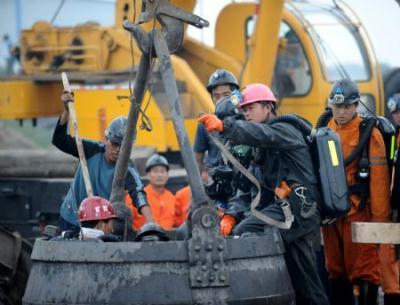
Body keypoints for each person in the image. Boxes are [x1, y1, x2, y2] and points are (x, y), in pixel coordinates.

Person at [199, 83, 329, 305]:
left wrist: (225, 127)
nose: (246, 112)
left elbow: (261, 133)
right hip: (290, 212)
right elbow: (253, 186)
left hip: (299, 209)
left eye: (251, 107)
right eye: (244, 109)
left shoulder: (283, 131)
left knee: (247, 233)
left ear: (269, 106)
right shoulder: (263, 144)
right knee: (303, 278)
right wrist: (232, 213)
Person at [321, 79, 396, 305]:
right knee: (335, 268)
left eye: (347, 107)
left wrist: (380, 223)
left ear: (356, 106)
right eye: (337, 106)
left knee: (364, 267)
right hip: (332, 214)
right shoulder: (324, 130)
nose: (342, 112)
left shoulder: (369, 134)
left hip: (359, 212)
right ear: (331, 106)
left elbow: (380, 182)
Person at [53, 91, 153, 233]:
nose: (118, 150)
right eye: (114, 144)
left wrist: (152, 223)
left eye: (123, 147)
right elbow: (59, 141)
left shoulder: (128, 168)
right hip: (71, 218)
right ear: (106, 139)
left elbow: (139, 194)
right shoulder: (90, 149)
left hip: (98, 226)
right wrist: (66, 111)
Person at [194, 69, 240, 181]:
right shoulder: (206, 123)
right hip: (216, 181)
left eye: (226, 95)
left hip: (240, 179)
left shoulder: (245, 119)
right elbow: (197, 159)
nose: (221, 99)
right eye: (217, 96)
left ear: (235, 95)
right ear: (212, 98)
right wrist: (195, 189)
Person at [126, 154, 177, 230]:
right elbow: (126, 223)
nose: (159, 175)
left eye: (162, 171)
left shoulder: (172, 198)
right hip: (142, 240)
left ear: (167, 175)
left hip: (168, 240)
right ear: (148, 174)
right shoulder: (137, 196)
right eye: (155, 171)